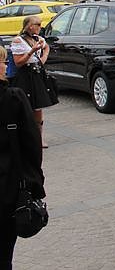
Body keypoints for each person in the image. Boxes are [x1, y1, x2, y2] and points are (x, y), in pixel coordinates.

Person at [0, 45, 45, 268]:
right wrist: (35, 185)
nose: (5, 66)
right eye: (2, 62)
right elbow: (32, 145)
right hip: (7, 190)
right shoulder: (12, 99)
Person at [11, 16, 55, 147]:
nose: (40, 27)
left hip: (37, 75)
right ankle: (24, 137)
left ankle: (39, 138)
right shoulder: (18, 40)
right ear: (30, 26)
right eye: (38, 25)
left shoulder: (38, 39)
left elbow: (46, 48)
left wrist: (42, 58)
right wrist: (32, 51)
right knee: (25, 107)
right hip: (25, 75)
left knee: (38, 107)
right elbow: (18, 63)